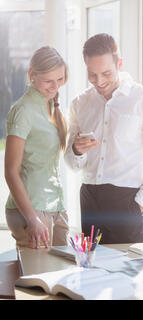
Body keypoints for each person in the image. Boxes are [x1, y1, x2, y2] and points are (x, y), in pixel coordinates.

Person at [64, 33, 143, 244]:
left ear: (119, 63)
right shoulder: (80, 104)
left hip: (128, 202)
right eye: (92, 75)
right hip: (89, 198)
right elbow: (72, 162)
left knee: (128, 271)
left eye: (106, 73)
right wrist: (76, 151)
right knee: (92, 270)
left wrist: (140, 205)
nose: (99, 81)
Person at [4, 46, 69, 249]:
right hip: (32, 210)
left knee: (59, 276)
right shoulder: (23, 110)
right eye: (49, 80)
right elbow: (10, 172)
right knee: (37, 279)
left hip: (54, 206)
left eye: (60, 79)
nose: (55, 86)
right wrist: (32, 219)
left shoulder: (51, 105)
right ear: (32, 75)